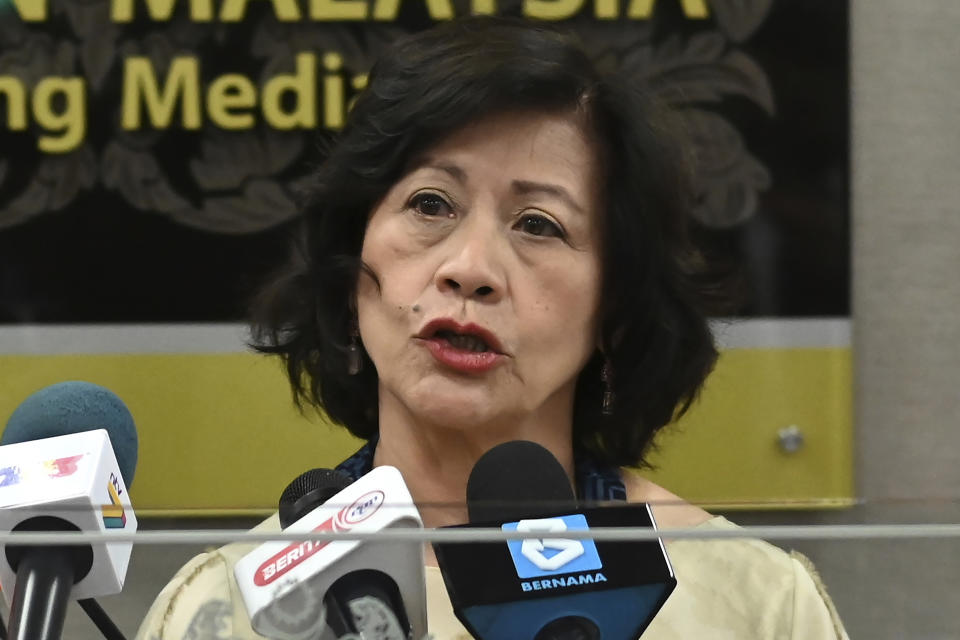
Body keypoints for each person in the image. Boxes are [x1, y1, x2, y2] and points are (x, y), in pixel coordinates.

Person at [136, 17, 848, 640]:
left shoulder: (746, 606)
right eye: (431, 204)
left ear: (616, 308)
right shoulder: (225, 610)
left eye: (539, 224)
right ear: (353, 267)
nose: (470, 268)